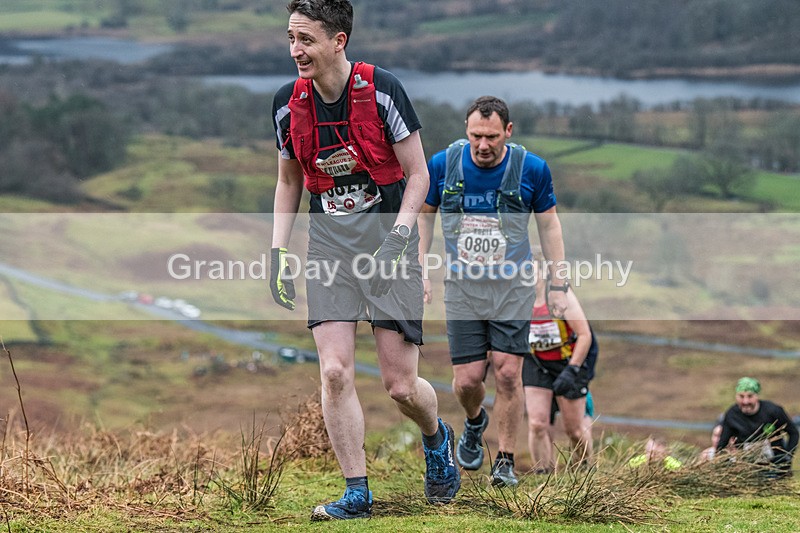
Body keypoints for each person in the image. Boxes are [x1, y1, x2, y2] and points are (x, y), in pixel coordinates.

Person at [269, 0, 459, 520]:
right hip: (330, 245)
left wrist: (400, 238)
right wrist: (277, 251)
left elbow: (419, 175)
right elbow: (288, 180)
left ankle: (435, 436)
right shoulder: (288, 104)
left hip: (387, 242)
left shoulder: (382, 91)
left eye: (306, 39)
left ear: (338, 40)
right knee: (333, 372)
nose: (295, 50)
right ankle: (357, 491)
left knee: (400, 386)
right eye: (290, 38)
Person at [418, 96, 569, 487]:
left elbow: (550, 226)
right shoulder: (443, 166)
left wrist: (557, 281)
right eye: (475, 136)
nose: (483, 145)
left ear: (508, 131)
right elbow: (425, 217)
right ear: (466, 131)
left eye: (491, 137)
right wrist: (419, 267)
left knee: (506, 373)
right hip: (463, 288)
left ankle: (504, 459)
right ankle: (474, 421)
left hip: (513, 287)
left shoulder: (532, 169)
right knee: (468, 381)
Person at [523, 252, 594, 473]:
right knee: (537, 424)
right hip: (536, 362)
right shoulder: (517, 298)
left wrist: (572, 370)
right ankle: (542, 475)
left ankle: (583, 471)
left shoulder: (559, 296)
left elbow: (585, 335)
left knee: (573, 430)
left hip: (568, 362)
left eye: (530, 269)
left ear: (543, 272)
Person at [715, 377, 798, 476]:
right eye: (741, 396)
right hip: (747, 469)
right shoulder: (731, 415)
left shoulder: (773, 411)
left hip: (774, 467)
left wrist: (788, 456)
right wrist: (725, 464)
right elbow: (721, 446)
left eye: (750, 396)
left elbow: (793, 433)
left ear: (757, 396)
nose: (745, 402)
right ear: (736, 397)